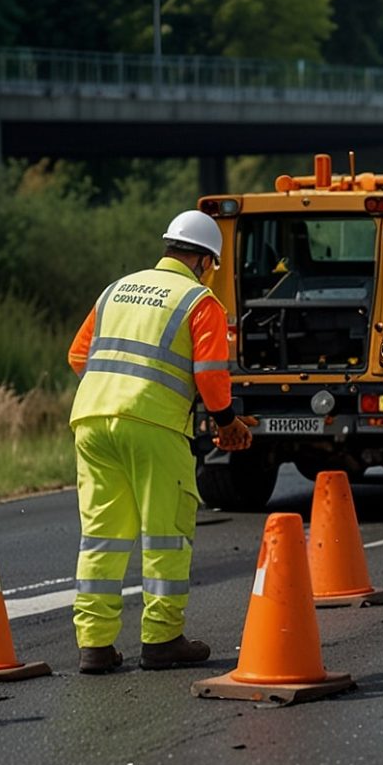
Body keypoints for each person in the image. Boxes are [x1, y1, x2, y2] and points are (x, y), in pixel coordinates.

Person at [66, 210, 256, 674]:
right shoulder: (199, 301)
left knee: (103, 537)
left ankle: (95, 646)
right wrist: (227, 422)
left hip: (91, 419)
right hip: (153, 426)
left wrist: (115, 391)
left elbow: (77, 356)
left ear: (169, 248)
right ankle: (162, 638)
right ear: (206, 261)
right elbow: (211, 376)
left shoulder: (117, 290)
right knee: (166, 534)